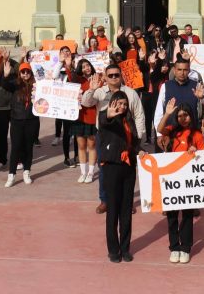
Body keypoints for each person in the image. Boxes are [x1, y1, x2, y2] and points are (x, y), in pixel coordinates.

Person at [81, 63, 146, 214]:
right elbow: (86, 102)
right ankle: (105, 200)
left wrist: (138, 138)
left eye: (117, 75)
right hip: (105, 138)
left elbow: (139, 115)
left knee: (127, 170)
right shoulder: (100, 92)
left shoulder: (130, 93)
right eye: (110, 75)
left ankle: (126, 202)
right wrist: (92, 89)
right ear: (105, 76)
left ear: (121, 75)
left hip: (126, 137)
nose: (114, 78)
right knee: (104, 169)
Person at [156, 99, 204, 264]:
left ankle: (186, 248)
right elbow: (159, 129)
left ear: (191, 116)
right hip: (172, 178)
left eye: (186, 115)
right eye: (179, 116)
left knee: (187, 215)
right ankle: (174, 247)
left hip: (189, 179)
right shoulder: (172, 131)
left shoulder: (197, 134)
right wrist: (168, 114)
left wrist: (195, 151)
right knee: (171, 215)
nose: (183, 118)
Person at [98, 91, 144, 263]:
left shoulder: (129, 120)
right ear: (113, 103)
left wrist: (141, 152)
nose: (123, 107)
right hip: (112, 168)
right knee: (113, 211)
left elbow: (134, 144)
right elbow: (104, 122)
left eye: (125, 104)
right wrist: (108, 115)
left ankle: (125, 248)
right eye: (120, 103)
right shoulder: (106, 117)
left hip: (129, 168)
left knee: (126, 210)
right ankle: (113, 250)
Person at [153, 57, 204, 150]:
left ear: (189, 71)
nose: (182, 72)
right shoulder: (166, 86)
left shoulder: (196, 85)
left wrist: (201, 97)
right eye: (179, 69)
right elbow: (159, 111)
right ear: (174, 70)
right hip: (171, 134)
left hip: (191, 134)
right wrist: (159, 134)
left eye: (185, 70)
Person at [1, 61, 41, 187]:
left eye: (27, 72)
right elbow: (4, 85)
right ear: (19, 73)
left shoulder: (37, 85)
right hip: (17, 120)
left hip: (32, 120)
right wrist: (6, 75)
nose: (25, 74)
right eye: (23, 72)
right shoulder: (15, 84)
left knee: (28, 147)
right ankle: (11, 175)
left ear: (31, 72)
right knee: (16, 148)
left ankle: (26, 172)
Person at [70, 58, 99, 182]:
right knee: (81, 145)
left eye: (88, 65)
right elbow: (69, 76)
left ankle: (91, 172)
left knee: (92, 144)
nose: (86, 68)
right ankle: (83, 172)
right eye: (83, 66)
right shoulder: (77, 80)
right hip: (79, 115)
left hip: (92, 116)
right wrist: (66, 64)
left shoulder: (98, 78)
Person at [51, 46, 80, 167]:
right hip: (65, 105)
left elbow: (76, 79)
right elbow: (54, 76)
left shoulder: (75, 65)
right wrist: (61, 62)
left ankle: (77, 156)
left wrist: (71, 65)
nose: (66, 53)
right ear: (60, 53)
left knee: (78, 131)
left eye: (68, 51)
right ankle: (67, 157)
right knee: (67, 132)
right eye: (63, 52)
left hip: (76, 103)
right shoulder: (59, 66)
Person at [0, 50, 19, 169]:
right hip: (0, 106)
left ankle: (18, 159)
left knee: (16, 134)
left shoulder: (15, 66)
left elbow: (20, 70)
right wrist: (2, 61)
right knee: (2, 134)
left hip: (14, 105)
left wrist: (10, 59)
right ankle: (1, 159)